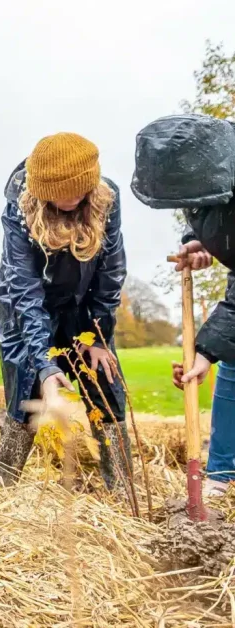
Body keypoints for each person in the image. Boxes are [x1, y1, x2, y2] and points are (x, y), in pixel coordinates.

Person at [0, 132, 131, 493]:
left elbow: (111, 272)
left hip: (85, 309)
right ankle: (1, 489)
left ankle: (123, 491)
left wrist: (99, 338)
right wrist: (46, 363)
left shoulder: (106, 201)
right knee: (26, 390)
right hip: (26, 310)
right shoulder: (19, 210)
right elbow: (24, 287)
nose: (69, 200)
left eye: (77, 190)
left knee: (106, 384)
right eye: (58, 193)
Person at [132, 113, 235, 497]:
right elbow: (210, 210)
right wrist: (200, 240)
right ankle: (224, 474)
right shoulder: (211, 166)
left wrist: (205, 350)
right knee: (233, 365)